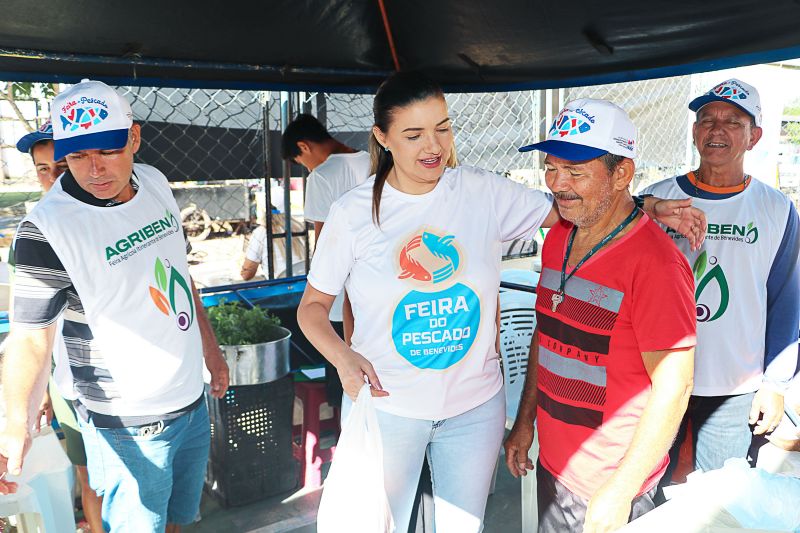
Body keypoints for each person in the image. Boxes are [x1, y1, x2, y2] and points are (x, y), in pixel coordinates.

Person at [296, 72, 704, 532]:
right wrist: (343, 360)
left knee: (461, 527)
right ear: (382, 137)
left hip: (474, 408)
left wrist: (648, 206)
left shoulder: (480, 191)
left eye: (442, 128)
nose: (432, 145)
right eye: (413, 135)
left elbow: (573, 203)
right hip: (389, 404)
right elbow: (311, 307)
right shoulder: (353, 212)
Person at [0, 79, 230, 533]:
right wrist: (14, 424)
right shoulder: (45, 231)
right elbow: (29, 338)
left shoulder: (156, 184)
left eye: (107, 150)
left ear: (135, 137)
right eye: (78, 156)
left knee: (179, 518)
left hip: (191, 398)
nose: (94, 169)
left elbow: (179, 273)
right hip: (128, 418)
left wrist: (211, 349)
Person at [504, 98, 697, 533]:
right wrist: (524, 421)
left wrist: (621, 490)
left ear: (622, 173)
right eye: (551, 168)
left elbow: (676, 384)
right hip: (557, 468)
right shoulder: (558, 236)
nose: (558, 184)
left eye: (575, 171)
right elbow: (547, 332)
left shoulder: (657, 264)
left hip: (612, 483)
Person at [642, 79, 800, 477]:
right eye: (706, 119)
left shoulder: (776, 208)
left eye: (732, 121)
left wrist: (775, 384)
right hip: (654, 373)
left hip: (735, 384)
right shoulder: (657, 200)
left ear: (754, 136)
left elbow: (786, 301)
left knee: (721, 497)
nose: (716, 129)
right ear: (694, 132)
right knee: (644, 485)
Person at [13, 121, 103, 533]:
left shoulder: (117, 211)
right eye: (43, 169)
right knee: (90, 480)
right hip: (70, 383)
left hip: (126, 385)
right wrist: (43, 388)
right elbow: (34, 328)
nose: (53, 178)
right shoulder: (34, 228)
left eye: (62, 166)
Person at [281, 113, 371, 405]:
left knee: (345, 381)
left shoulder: (321, 176)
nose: (304, 168)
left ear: (303, 146)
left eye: (299, 162)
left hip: (339, 296)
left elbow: (324, 245)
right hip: (379, 288)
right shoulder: (373, 161)